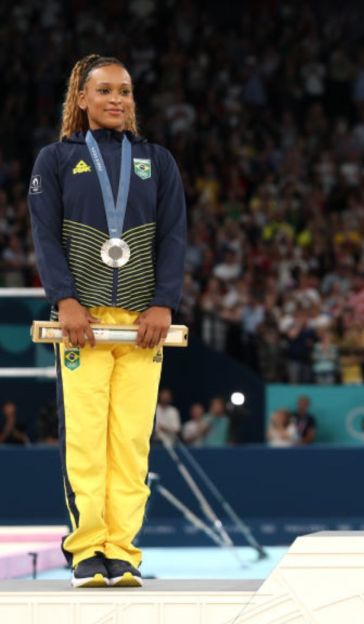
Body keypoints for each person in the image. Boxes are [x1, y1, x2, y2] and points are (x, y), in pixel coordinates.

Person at [28, 54, 185, 588]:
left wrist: (164, 302)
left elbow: (174, 236)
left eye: (125, 91)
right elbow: (46, 236)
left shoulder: (157, 160)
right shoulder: (54, 159)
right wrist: (65, 300)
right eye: (105, 91)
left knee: (132, 441)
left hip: (143, 322)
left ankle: (123, 550)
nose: (117, 99)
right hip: (83, 323)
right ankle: (87, 550)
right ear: (82, 99)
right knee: (87, 439)